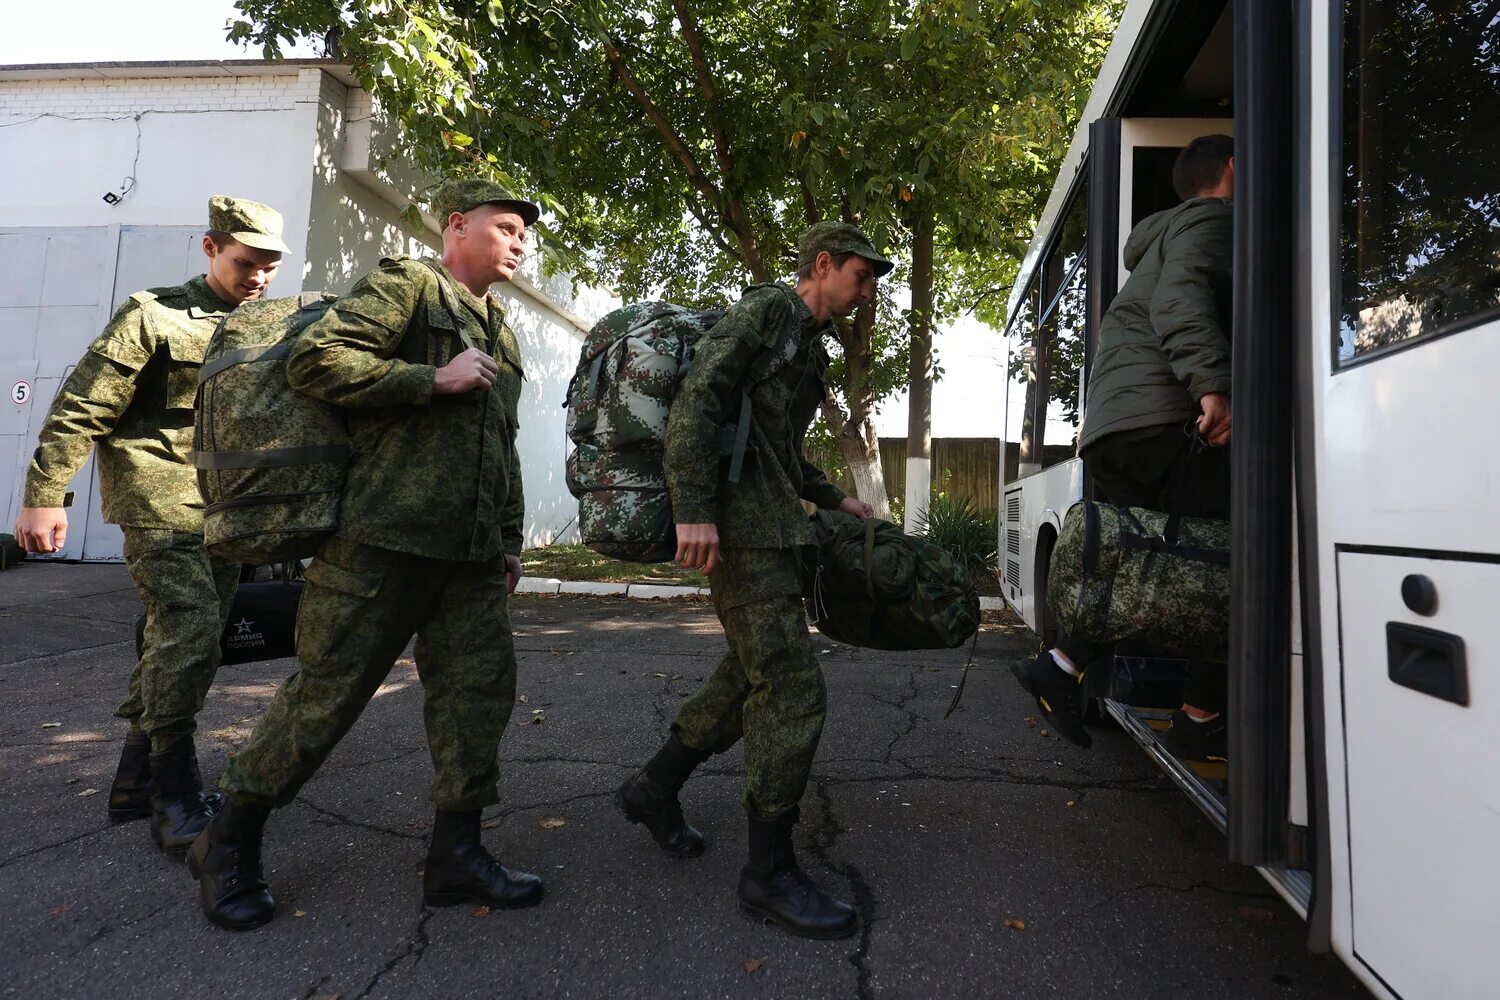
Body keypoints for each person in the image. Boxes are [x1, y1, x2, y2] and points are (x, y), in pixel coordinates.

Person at [186, 178, 540, 931]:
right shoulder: (409, 287)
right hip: (381, 540)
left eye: (523, 235)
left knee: (478, 699)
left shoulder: (500, 330)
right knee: (328, 695)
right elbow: (315, 360)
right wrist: (428, 377)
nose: (519, 243)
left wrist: (506, 540)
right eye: (506, 228)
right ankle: (228, 839)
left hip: (469, 556)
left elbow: (498, 447)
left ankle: (456, 855)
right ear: (457, 228)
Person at [616, 222, 891, 941]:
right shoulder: (769, 310)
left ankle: (654, 787)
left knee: (748, 675)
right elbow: (699, 400)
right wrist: (694, 511)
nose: (867, 293)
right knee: (792, 686)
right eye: (861, 276)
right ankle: (767, 875)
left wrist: (834, 498)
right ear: (822, 264)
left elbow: (779, 448)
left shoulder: (807, 346)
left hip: (775, 530)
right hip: (739, 532)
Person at [14, 196, 287, 854]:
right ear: (210, 247)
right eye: (245, 262)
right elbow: (83, 404)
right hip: (158, 499)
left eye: (269, 267)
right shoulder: (153, 314)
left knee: (191, 639)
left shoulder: (268, 327)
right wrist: (45, 492)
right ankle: (174, 799)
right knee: (190, 629)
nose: (257, 277)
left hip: (227, 510)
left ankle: (134, 784)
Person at [1012, 134, 1235, 759]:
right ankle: (1199, 718)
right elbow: (1181, 301)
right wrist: (1213, 384)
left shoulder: (1157, 240)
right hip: (1162, 420)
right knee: (1219, 564)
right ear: (1235, 169)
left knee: (1139, 562)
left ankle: (1059, 665)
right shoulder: (1213, 219)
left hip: (1113, 425)